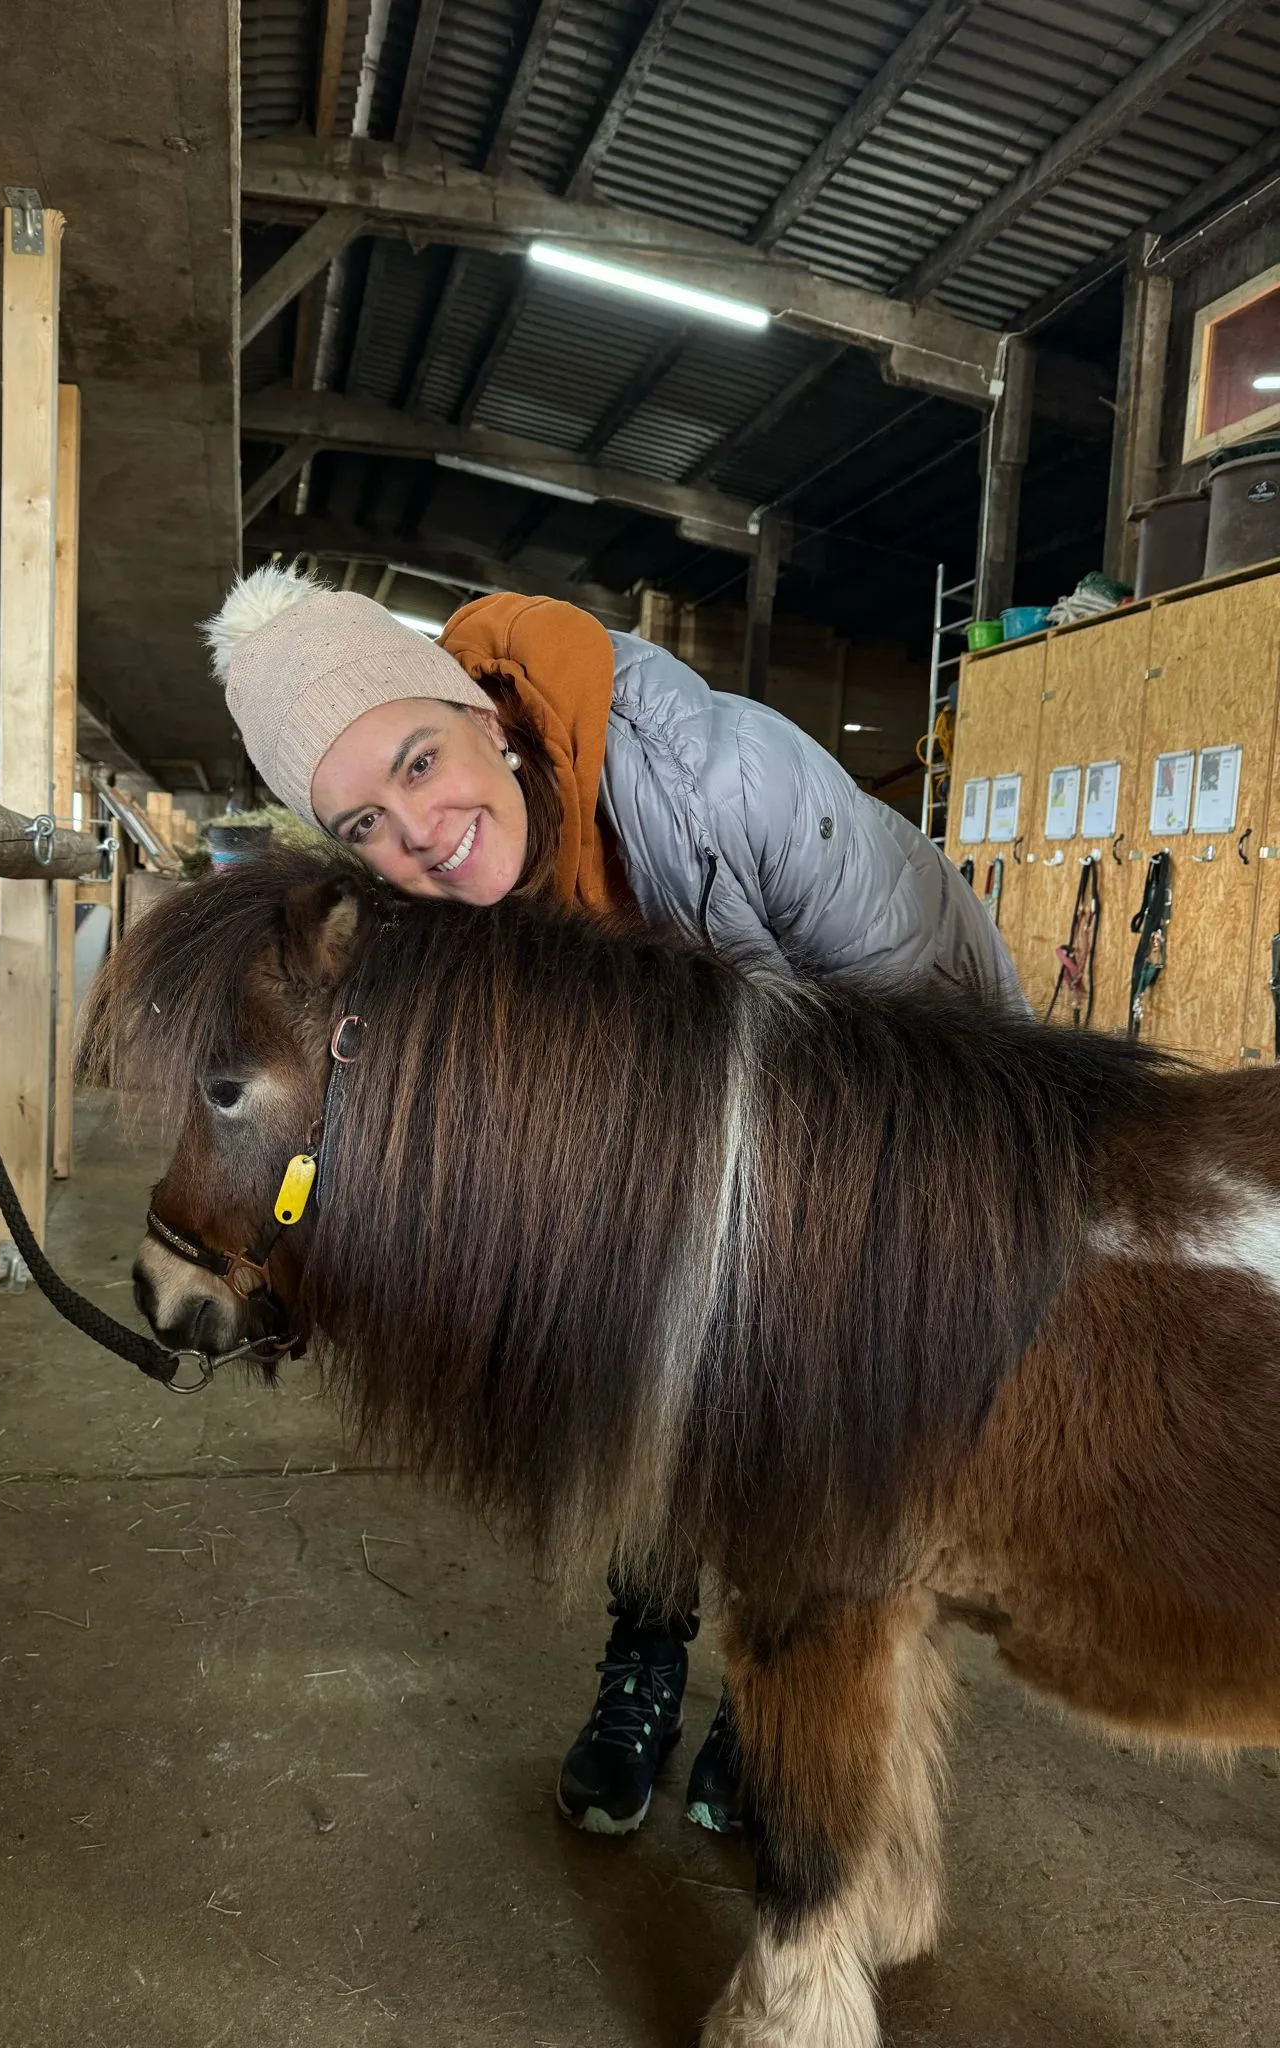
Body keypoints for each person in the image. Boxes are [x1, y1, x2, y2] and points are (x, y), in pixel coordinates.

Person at [204, 564, 1021, 1838]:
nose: (414, 832)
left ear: (480, 711)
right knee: (622, 1368)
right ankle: (646, 1650)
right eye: (361, 822)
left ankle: (773, 1695)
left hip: (884, 1118)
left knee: (792, 1414)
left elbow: (936, 1036)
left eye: (418, 763)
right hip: (679, 1171)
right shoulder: (424, 922)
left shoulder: (725, 778)